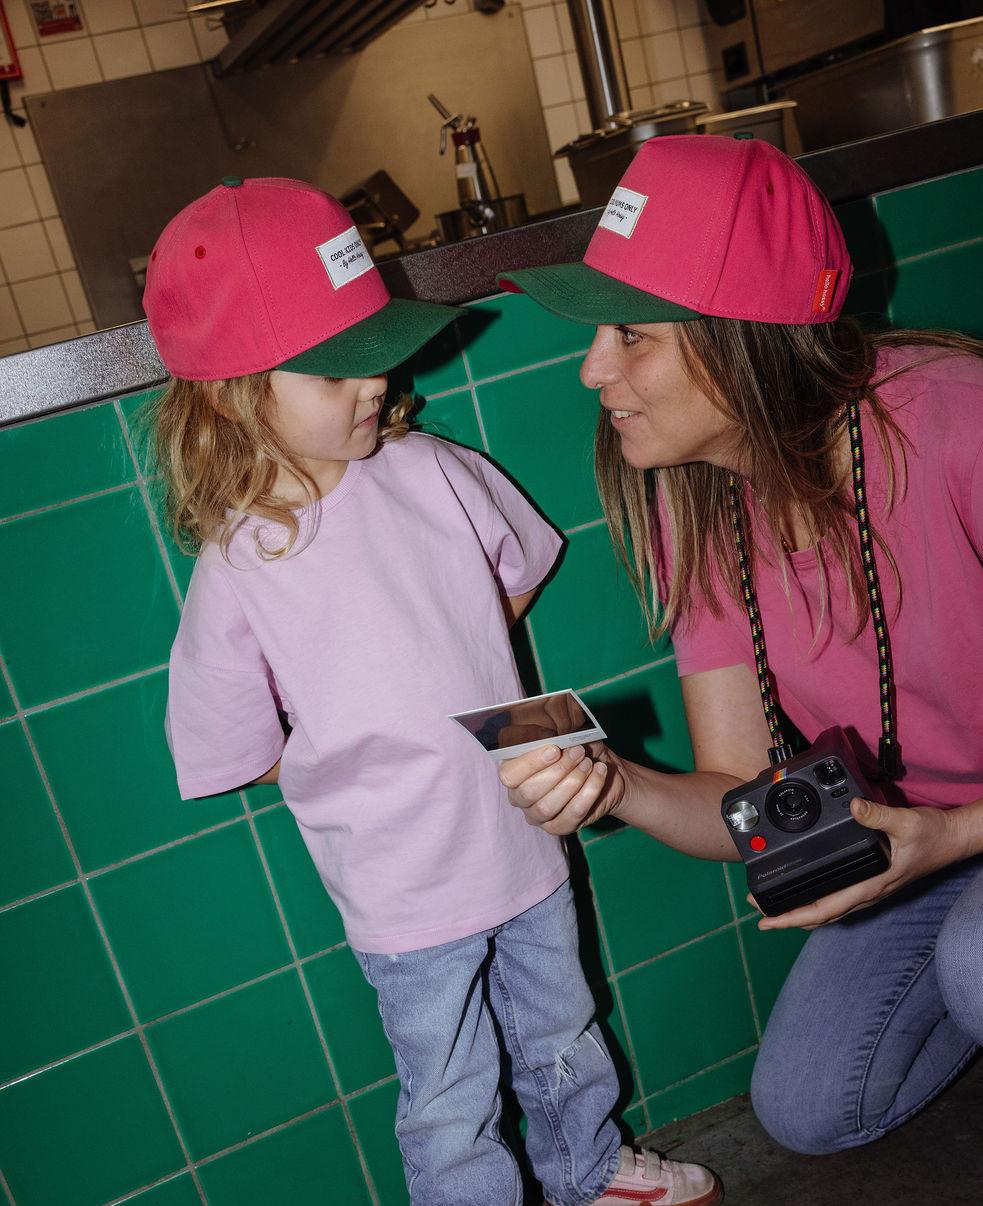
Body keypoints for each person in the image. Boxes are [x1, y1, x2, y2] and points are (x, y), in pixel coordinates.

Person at [143, 176, 723, 1206]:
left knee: (563, 1028)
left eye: (378, 351)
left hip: (520, 836)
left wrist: (449, 667)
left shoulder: (434, 470)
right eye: (338, 369)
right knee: (449, 1094)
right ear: (233, 392)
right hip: (403, 886)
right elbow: (234, 745)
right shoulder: (240, 567)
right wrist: (362, 749)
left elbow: (513, 574)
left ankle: (589, 1172)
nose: (375, 382)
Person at [495, 134, 983, 1156]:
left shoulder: (975, 426)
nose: (592, 369)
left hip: (978, 823)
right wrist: (614, 784)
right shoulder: (693, 504)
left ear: (748, 338)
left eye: (630, 334)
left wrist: (957, 837)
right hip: (922, 837)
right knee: (809, 1108)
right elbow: (737, 790)